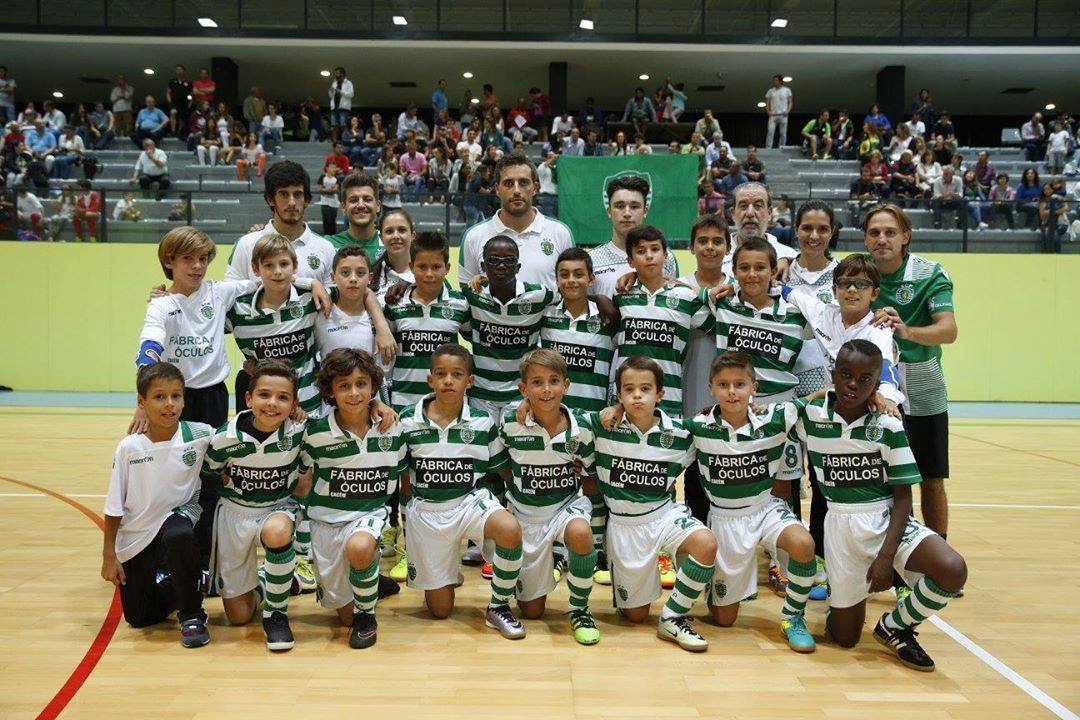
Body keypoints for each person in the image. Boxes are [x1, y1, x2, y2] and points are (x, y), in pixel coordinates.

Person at [794, 340, 967, 672]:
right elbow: (760, 416)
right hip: (841, 527)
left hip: (886, 519)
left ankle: (894, 626)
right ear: (833, 374)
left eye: (865, 379)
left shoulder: (887, 425)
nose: (853, 385)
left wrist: (886, 558)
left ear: (877, 384)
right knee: (845, 638)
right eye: (846, 375)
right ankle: (841, 602)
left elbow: (903, 497)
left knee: (952, 569)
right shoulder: (811, 416)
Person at [683, 352, 817, 652]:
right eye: (724, 385)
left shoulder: (775, 418)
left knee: (803, 543)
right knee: (724, 620)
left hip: (764, 508)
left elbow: (815, 398)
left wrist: (878, 397)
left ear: (753, 387)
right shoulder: (698, 426)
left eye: (740, 384)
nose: (732, 392)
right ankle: (718, 587)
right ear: (711, 388)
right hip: (725, 518)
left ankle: (793, 617)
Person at [586, 356, 718, 651]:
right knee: (635, 617)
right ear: (618, 394)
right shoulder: (602, 426)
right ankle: (636, 587)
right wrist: (526, 405)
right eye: (629, 389)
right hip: (625, 525)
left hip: (663, 515)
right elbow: (557, 415)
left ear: (660, 394)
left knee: (705, 543)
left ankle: (672, 617)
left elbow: (721, 422)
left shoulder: (681, 433)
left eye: (645, 389)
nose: (637, 396)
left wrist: (747, 408)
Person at [398, 343, 526, 638]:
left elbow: (504, 469)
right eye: (440, 374)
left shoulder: (482, 421)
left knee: (509, 528)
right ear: (429, 379)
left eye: (457, 374)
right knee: (440, 611)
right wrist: (407, 518)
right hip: (428, 512)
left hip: (469, 503)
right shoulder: (406, 421)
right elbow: (402, 475)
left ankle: (498, 606)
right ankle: (445, 571)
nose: (448, 381)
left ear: (469, 381)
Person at [864, 204, 958, 543]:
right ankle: (895, 551)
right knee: (886, 480)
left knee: (931, 478)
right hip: (875, 389)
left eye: (890, 232)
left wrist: (906, 331)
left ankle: (937, 550)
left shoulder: (929, 273)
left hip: (923, 387)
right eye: (874, 233)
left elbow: (948, 330)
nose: (882, 239)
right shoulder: (858, 274)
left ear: (905, 236)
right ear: (865, 239)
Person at [300, 348, 406, 648]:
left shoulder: (392, 427)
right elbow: (300, 479)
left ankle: (367, 616)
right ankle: (369, 582)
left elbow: (402, 472)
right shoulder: (314, 434)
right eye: (344, 386)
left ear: (373, 387)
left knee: (359, 547)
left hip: (367, 516)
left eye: (361, 384)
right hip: (326, 523)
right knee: (343, 617)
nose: (354, 393)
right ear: (330, 392)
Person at [102, 363, 211, 647]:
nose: (169, 404)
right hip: (138, 533)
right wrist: (109, 555)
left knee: (178, 533)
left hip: (178, 517)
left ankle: (192, 615)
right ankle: (193, 580)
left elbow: (237, 435)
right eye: (159, 397)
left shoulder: (199, 434)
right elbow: (113, 507)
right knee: (139, 618)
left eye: (176, 396)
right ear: (141, 402)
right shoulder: (130, 447)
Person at [497, 349, 601, 644]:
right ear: (523, 389)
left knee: (580, 532)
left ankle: (580, 609)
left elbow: (590, 479)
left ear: (566, 385)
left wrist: (598, 534)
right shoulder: (510, 423)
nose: (546, 389)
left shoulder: (582, 429)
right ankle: (551, 558)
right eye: (537, 382)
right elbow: (501, 465)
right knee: (531, 612)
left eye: (554, 381)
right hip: (526, 517)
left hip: (564, 509)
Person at [201, 360, 304, 651]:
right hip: (234, 514)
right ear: (248, 398)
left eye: (283, 397)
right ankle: (273, 580)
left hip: (277, 509)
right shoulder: (224, 438)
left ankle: (276, 615)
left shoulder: (300, 432)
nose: (272, 403)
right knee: (239, 617)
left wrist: (378, 406)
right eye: (264, 395)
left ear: (293, 404)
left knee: (277, 531)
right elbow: (209, 470)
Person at [614, 226, 709, 418]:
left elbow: (719, 326)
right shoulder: (621, 296)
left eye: (655, 249)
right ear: (630, 261)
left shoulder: (686, 296)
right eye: (641, 251)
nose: (649, 256)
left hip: (670, 401)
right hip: (626, 404)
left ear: (666, 255)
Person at [458, 155, 574, 290]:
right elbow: (467, 293)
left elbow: (572, 291)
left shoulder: (560, 233)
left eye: (523, 183)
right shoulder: (474, 236)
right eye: (508, 183)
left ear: (535, 188)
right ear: (497, 189)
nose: (517, 190)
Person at [589, 174, 678, 297]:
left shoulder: (666, 258)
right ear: (609, 211)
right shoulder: (592, 260)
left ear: (645, 211)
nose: (627, 213)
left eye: (634, 206)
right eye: (620, 206)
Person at [325, 172, 383, 260]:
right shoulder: (328, 245)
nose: (361, 205)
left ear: (378, 206)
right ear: (343, 207)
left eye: (367, 199)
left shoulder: (390, 244)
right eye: (353, 200)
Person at [1038, 182, 1069, 253]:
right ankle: (1049, 254)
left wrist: (1051, 211)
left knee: (1055, 234)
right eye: (1044, 190)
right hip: (1047, 223)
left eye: (1048, 189)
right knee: (1048, 234)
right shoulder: (1042, 200)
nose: (1046, 191)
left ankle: (1057, 254)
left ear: (1053, 189)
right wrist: (1057, 211)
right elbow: (1042, 213)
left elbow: (1066, 208)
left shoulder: (1059, 197)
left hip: (1061, 223)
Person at [763, 74, 793, 149]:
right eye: (773, 80)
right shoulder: (770, 91)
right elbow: (767, 102)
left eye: (776, 80)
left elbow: (790, 102)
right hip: (773, 115)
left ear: (780, 81)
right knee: (770, 132)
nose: (774, 82)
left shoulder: (787, 90)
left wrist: (788, 111)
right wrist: (768, 111)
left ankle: (781, 148)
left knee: (783, 134)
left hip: (783, 115)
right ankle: (768, 148)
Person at [328, 67, 354, 143]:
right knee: (334, 125)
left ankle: (344, 141)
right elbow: (331, 96)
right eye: (335, 73)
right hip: (334, 107)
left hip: (343, 107)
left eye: (337, 73)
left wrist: (340, 91)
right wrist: (330, 91)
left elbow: (351, 94)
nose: (336, 75)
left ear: (342, 74)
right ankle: (334, 142)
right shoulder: (334, 83)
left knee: (343, 125)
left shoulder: (348, 83)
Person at [317, 161, 342, 236]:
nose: (333, 169)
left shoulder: (336, 178)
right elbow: (319, 188)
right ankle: (326, 236)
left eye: (334, 167)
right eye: (331, 167)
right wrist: (326, 190)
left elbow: (336, 188)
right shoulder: (322, 177)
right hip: (324, 202)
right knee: (326, 220)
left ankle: (333, 236)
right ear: (327, 168)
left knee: (332, 220)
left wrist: (328, 190)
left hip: (334, 202)